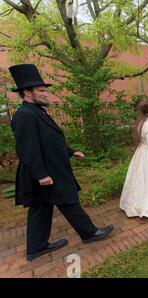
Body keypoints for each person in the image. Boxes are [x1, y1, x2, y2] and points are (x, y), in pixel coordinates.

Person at [9, 64, 113, 261]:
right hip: (44, 172)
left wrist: (71, 151)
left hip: (47, 169)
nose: (46, 94)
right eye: (41, 91)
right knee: (68, 200)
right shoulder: (24, 115)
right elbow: (27, 149)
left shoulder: (37, 111)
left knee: (41, 208)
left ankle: (36, 247)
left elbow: (49, 142)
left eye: (45, 90)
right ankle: (89, 233)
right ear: (26, 92)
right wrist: (41, 175)